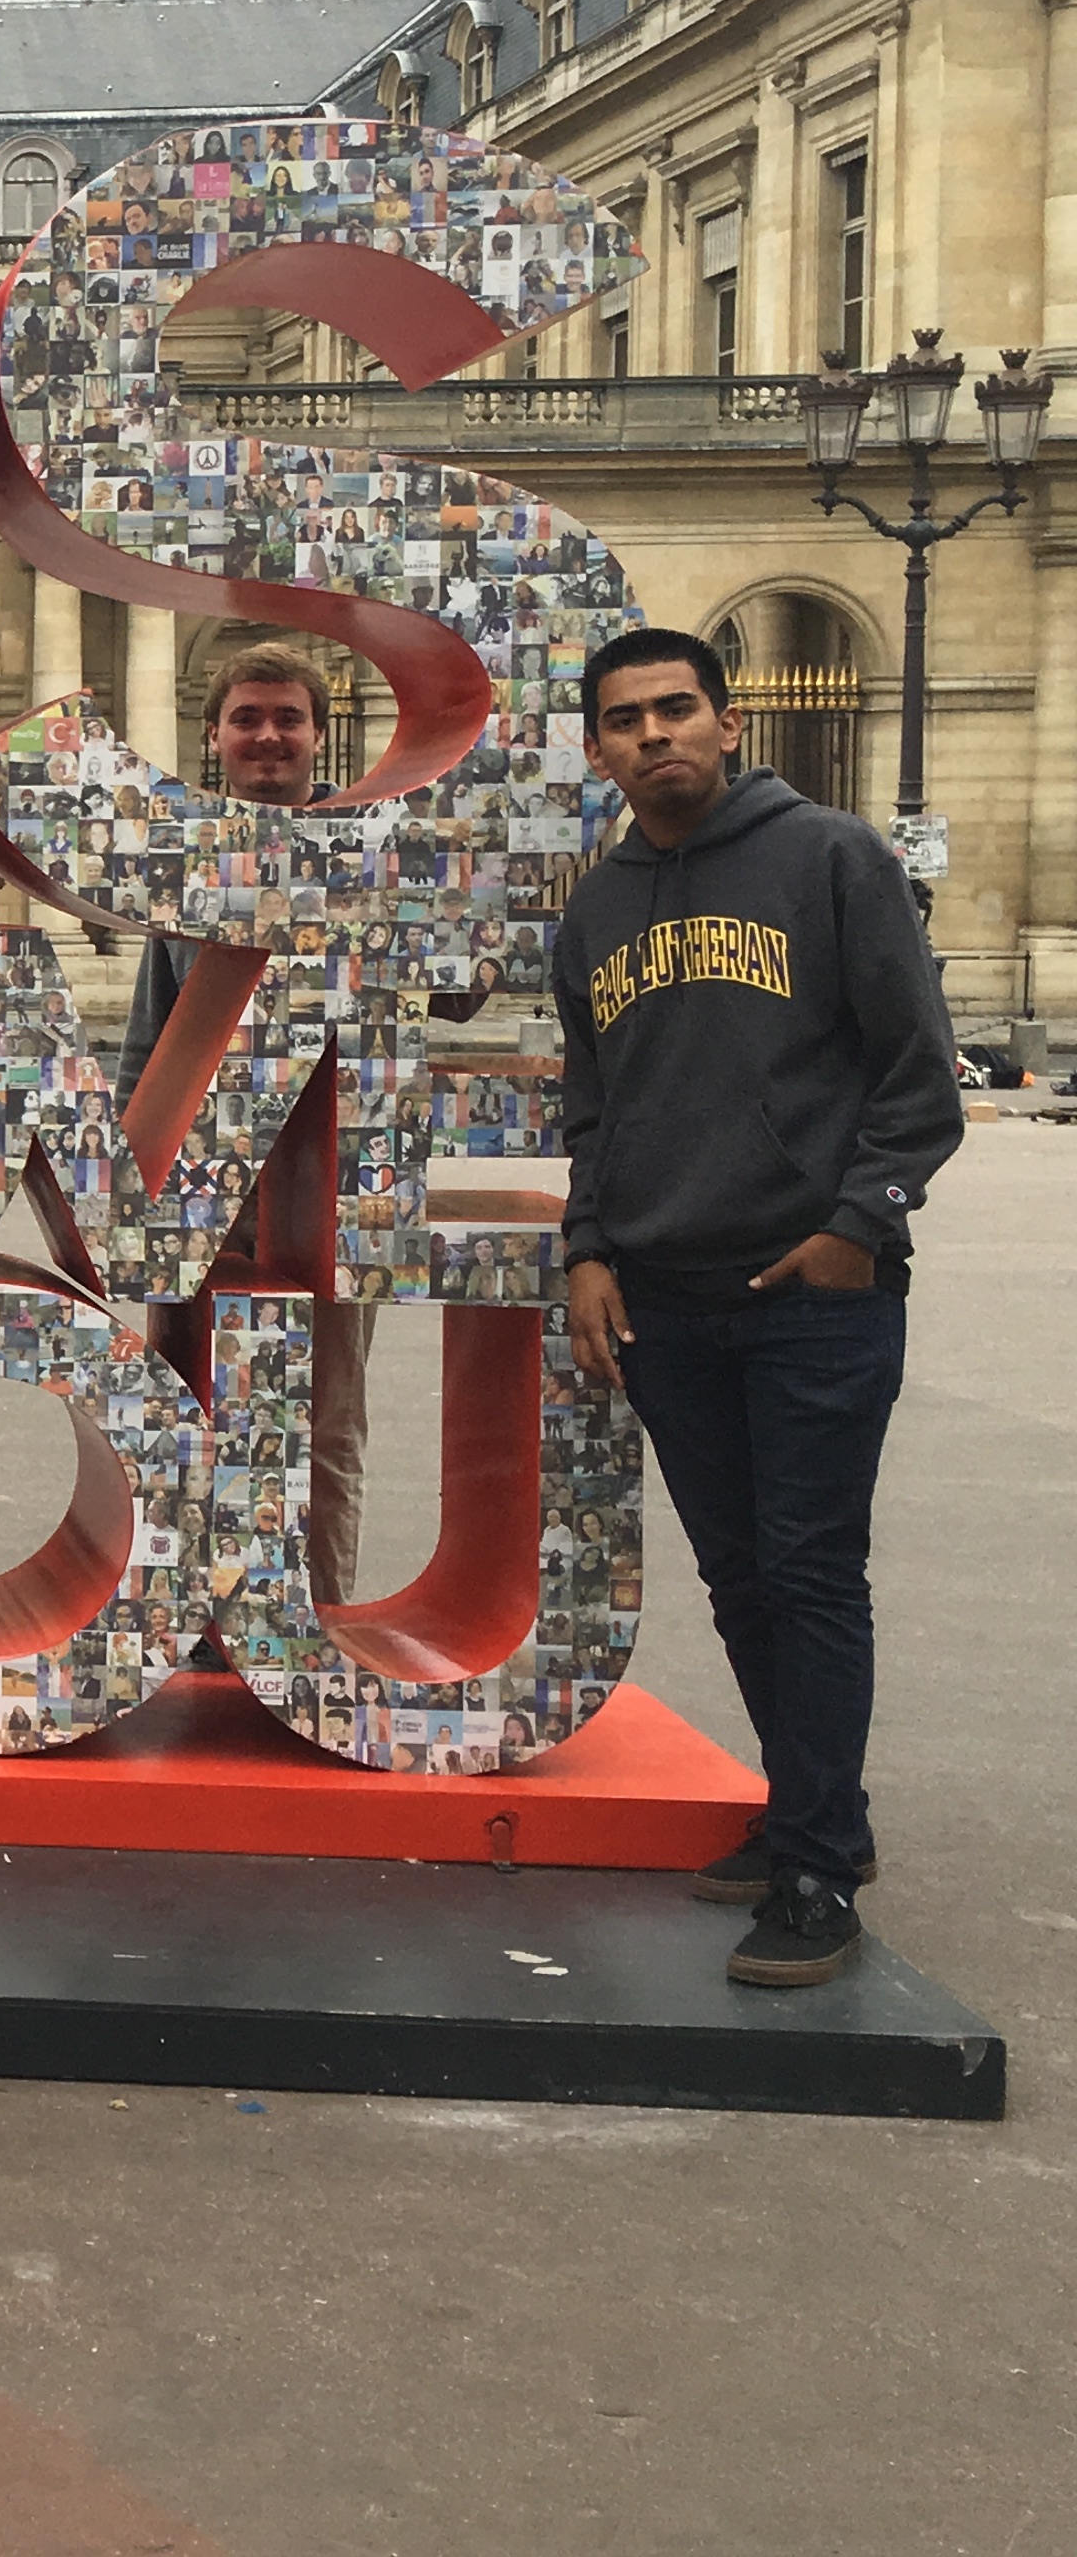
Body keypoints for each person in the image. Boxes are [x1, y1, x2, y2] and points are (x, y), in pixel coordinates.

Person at [556, 626, 960, 1989]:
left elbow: (918, 1071)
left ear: (729, 725)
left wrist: (861, 1226)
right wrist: (587, 1247)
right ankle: (805, 1820)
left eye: (677, 709)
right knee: (741, 1581)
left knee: (806, 1572)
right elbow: (594, 1103)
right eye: (626, 719)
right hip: (664, 1297)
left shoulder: (832, 859)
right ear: (598, 749)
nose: (654, 734)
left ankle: (816, 1872)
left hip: (810, 1293)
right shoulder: (595, 908)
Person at [114, 646, 465, 1609]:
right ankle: (193, 1621)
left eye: (287, 718)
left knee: (325, 1422)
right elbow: (152, 1034)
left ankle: (315, 1618)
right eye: (248, 717)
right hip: (205, 1188)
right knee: (187, 1409)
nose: (268, 734)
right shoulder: (192, 870)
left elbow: (466, 985)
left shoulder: (374, 853)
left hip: (334, 1184)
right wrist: (125, 1180)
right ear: (216, 736)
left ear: (319, 734)